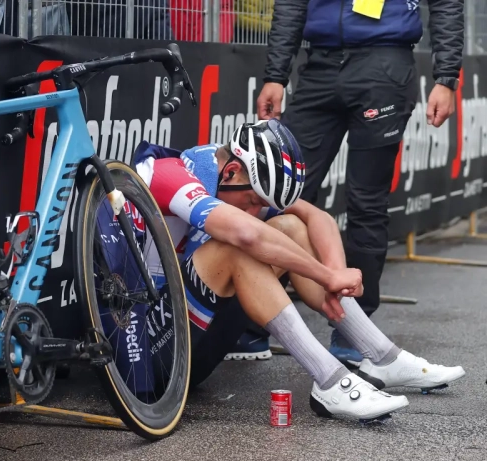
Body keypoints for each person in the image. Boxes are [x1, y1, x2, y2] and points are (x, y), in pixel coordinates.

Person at [131, 119, 465, 421]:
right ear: (231, 171)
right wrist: (326, 276)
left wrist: (336, 279)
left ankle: (381, 357)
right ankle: (329, 380)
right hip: (147, 357)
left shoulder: (236, 180)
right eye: (255, 202)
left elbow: (317, 218)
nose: (257, 210)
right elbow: (246, 234)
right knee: (239, 246)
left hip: (191, 344)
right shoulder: (169, 172)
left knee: (290, 225)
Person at [253, 0, 464, 365]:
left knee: (366, 201)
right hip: (319, 67)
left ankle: (355, 330)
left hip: (384, 66)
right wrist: (275, 75)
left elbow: (446, 3)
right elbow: (290, 4)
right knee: (281, 194)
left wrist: (445, 77)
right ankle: (255, 321)